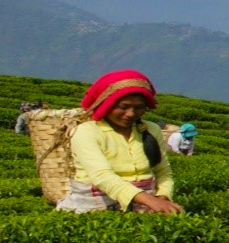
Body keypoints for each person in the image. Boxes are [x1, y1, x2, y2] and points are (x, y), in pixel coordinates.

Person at [55, 69, 182, 214]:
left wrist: (162, 198)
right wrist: (150, 201)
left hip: (146, 206)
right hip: (93, 208)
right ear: (106, 104)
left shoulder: (151, 129)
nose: (131, 114)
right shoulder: (86, 132)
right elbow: (102, 176)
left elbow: (163, 172)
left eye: (139, 107)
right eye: (123, 106)